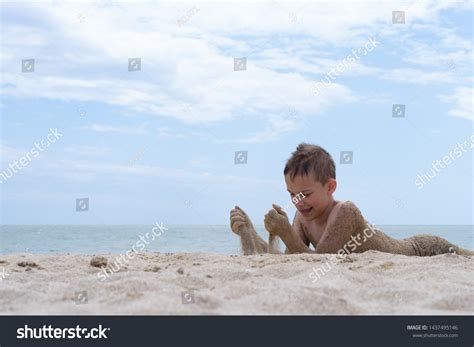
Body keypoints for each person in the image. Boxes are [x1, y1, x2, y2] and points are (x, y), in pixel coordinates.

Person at [230, 143, 473, 256]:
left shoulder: (345, 212)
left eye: (305, 194)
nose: (298, 202)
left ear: (331, 187)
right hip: (413, 249)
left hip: (420, 250)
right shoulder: (302, 216)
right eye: (292, 196)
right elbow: (294, 256)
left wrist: (285, 232)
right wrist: (249, 233)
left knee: (466, 255)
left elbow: (320, 260)